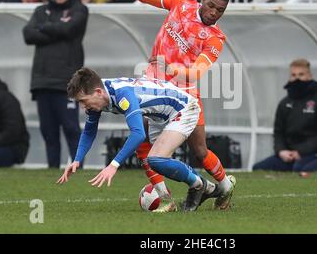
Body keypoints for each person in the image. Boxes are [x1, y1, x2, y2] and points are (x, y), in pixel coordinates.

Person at [104, 0, 236, 212]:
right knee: (141, 137)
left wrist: (170, 67)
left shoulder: (215, 38)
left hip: (185, 95)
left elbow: (196, 72)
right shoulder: (182, 4)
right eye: (210, 5)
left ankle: (224, 186)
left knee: (199, 151)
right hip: (154, 86)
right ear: (203, 0)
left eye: (219, 10)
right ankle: (164, 196)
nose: (213, 13)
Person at [57, 68, 217, 212]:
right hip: (160, 116)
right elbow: (89, 130)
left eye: (83, 101)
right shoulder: (98, 94)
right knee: (153, 158)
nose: (83, 107)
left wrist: (113, 165)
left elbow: (138, 133)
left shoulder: (122, 95)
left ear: (98, 92)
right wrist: (77, 160)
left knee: (157, 159)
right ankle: (190, 193)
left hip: (183, 108)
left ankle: (199, 185)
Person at [23, 0, 88, 168]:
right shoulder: (40, 11)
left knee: (70, 127)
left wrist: (43, 28)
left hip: (67, 81)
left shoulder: (80, 10)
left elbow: (69, 30)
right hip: (42, 79)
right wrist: (57, 28)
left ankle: (78, 168)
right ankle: (52, 170)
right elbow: (28, 34)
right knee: (48, 130)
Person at [252, 59, 317, 172]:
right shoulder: (285, 103)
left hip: (313, 154)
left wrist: (301, 151)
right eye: (293, 75)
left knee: (299, 168)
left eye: (301, 74)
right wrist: (281, 151)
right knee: (258, 168)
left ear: (309, 76)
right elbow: (278, 132)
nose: (297, 79)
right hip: (288, 155)